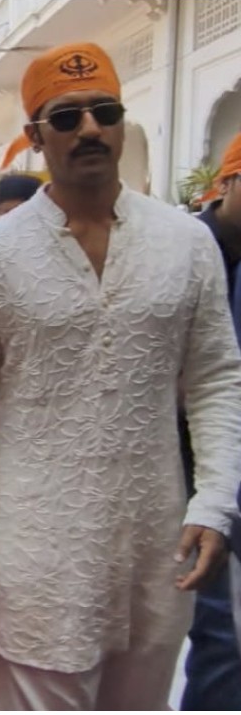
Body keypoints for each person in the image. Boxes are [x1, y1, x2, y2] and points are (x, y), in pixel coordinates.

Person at [0, 42, 241, 709]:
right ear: (36, 137)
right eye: (66, 118)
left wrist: (216, 499)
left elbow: (215, 378)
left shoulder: (186, 243)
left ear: (123, 122)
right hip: (39, 552)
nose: (90, 129)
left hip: (155, 547)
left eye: (105, 111)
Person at [180, 129, 241, 709]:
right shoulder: (184, 251)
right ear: (226, 183)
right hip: (182, 473)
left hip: (230, 462)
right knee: (214, 623)